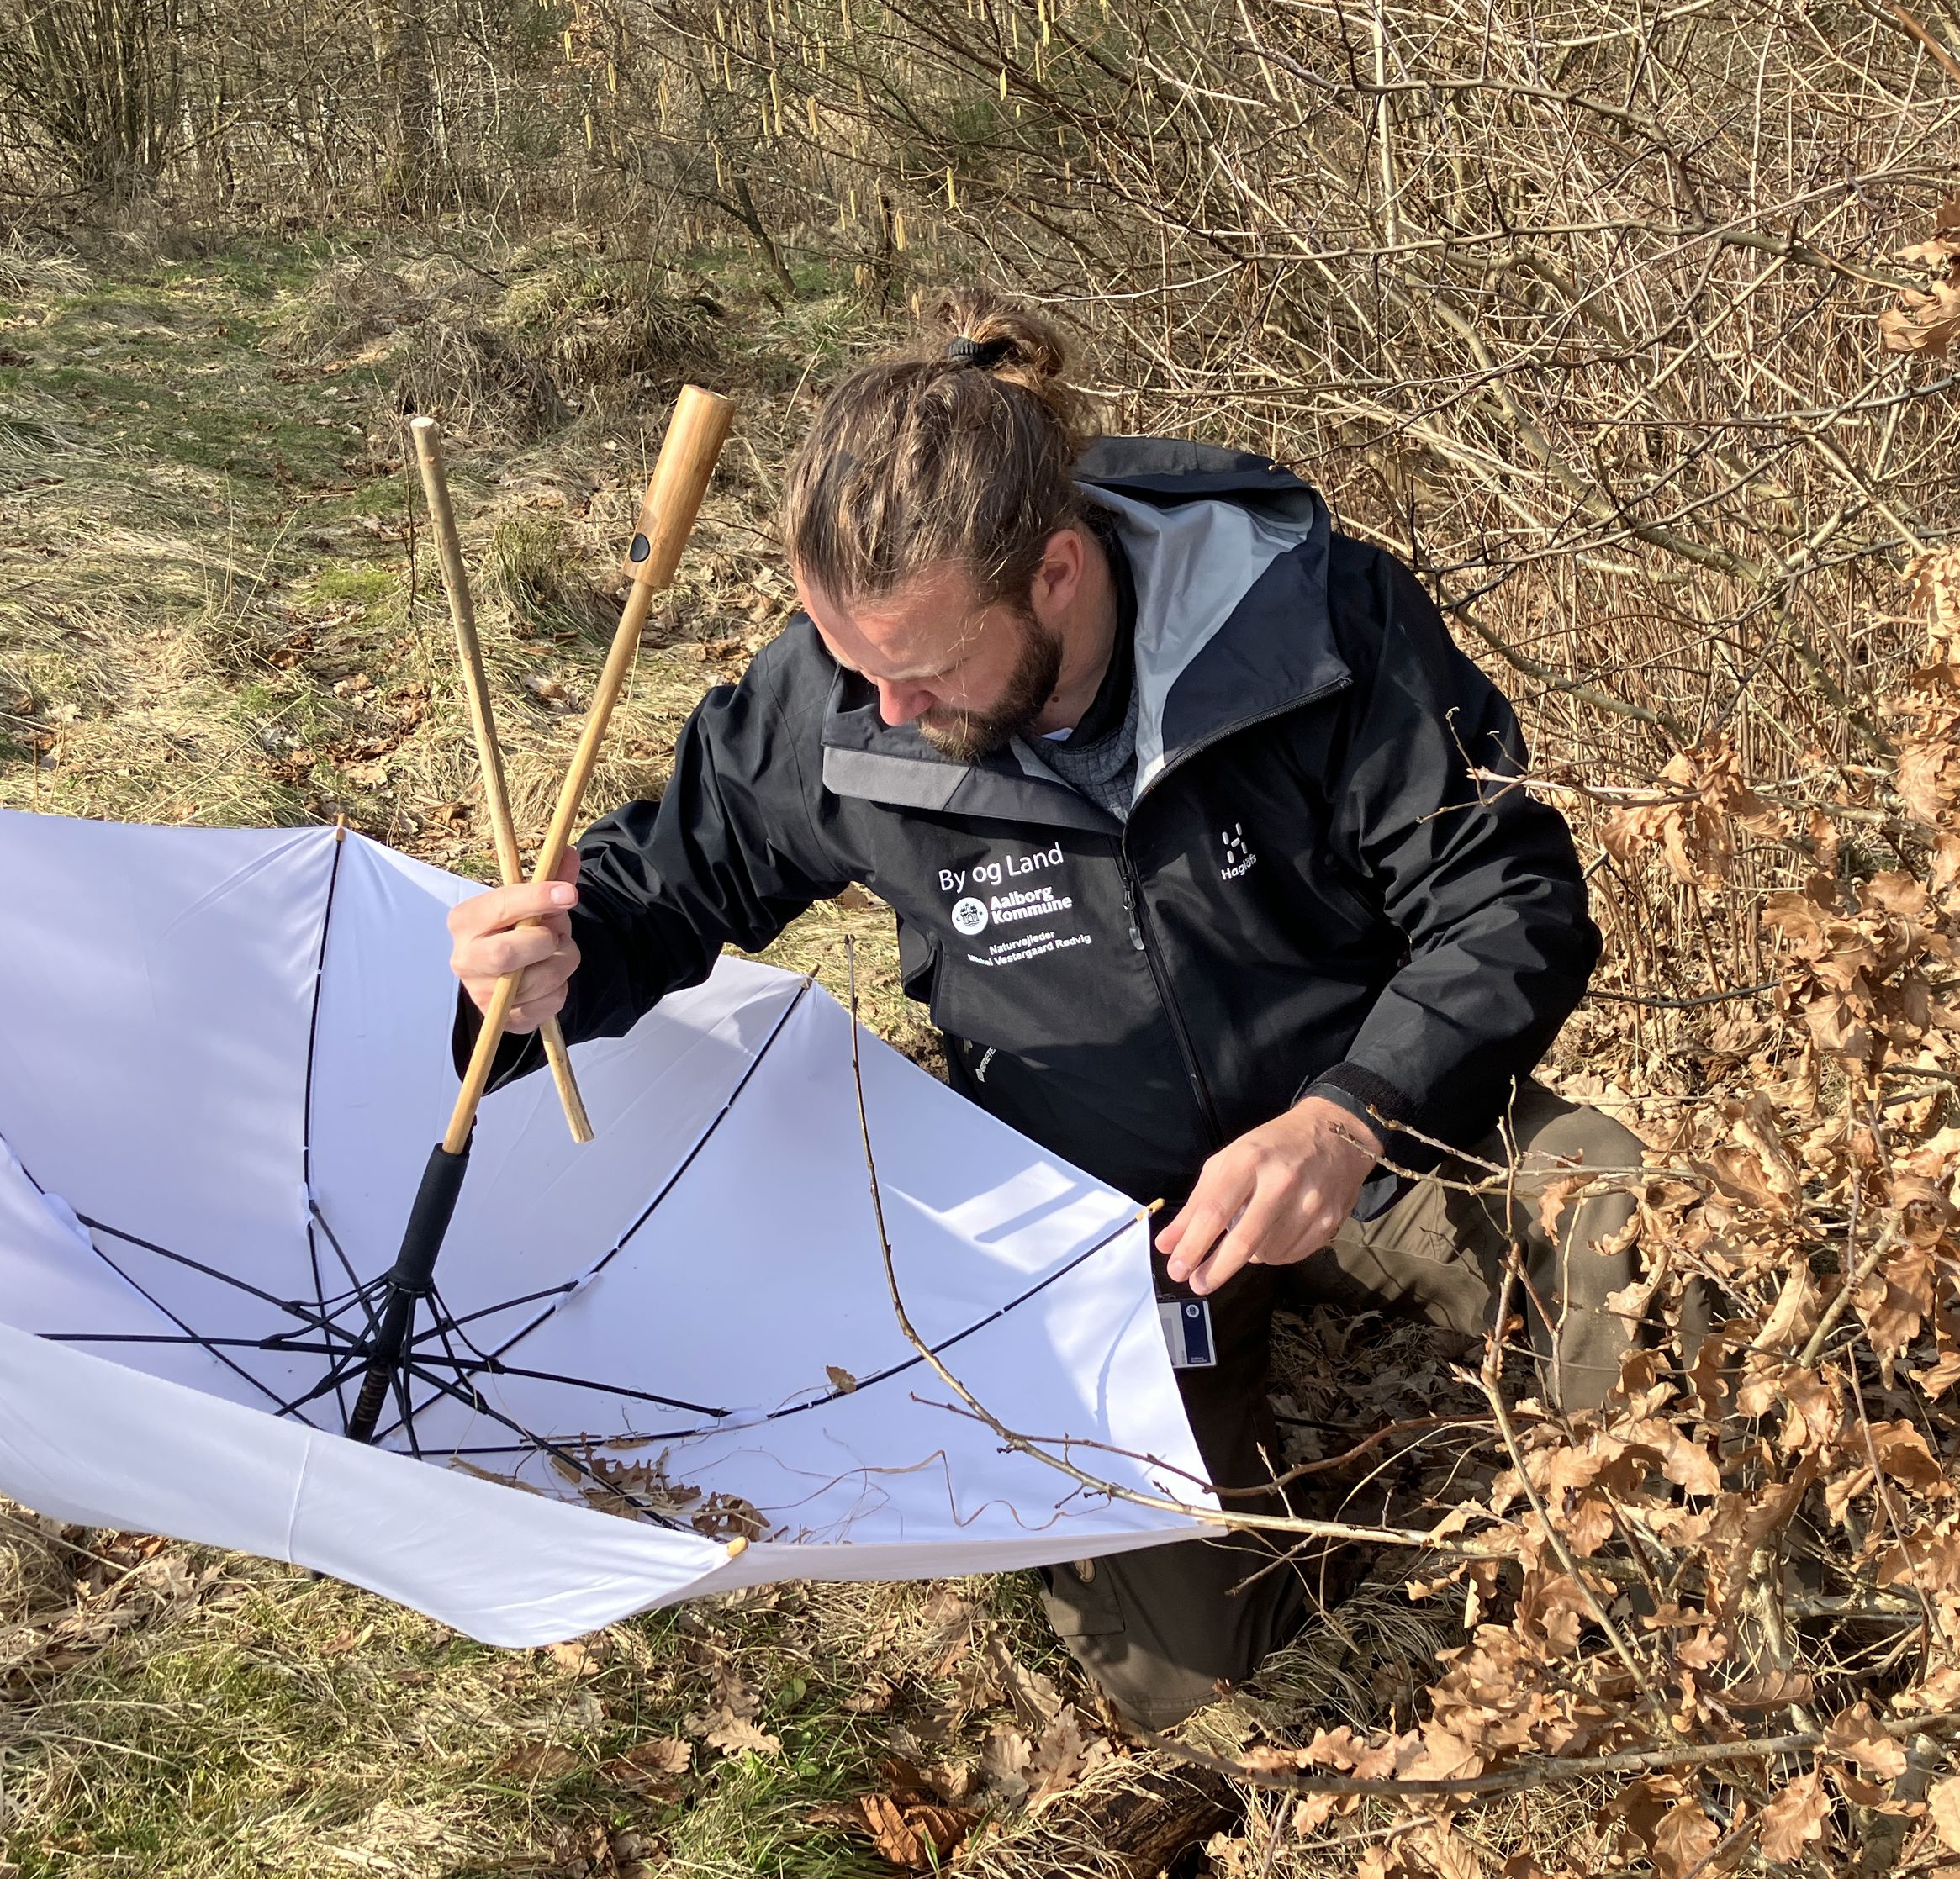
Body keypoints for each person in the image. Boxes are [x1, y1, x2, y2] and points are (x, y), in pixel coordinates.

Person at [447, 294, 1646, 1731]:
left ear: (1060, 574)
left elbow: (1509, 900)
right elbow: (667, 888)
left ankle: (1628, 1571)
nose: (884, 711)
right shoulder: (845, 687)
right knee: (1202, 1701)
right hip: (1102, 1234)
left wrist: (1350, 1117)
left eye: (928, 670)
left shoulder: (1310, 618)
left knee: (1626, 1220)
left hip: (1373, 1131)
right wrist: (544, 977)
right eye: (854, 665)